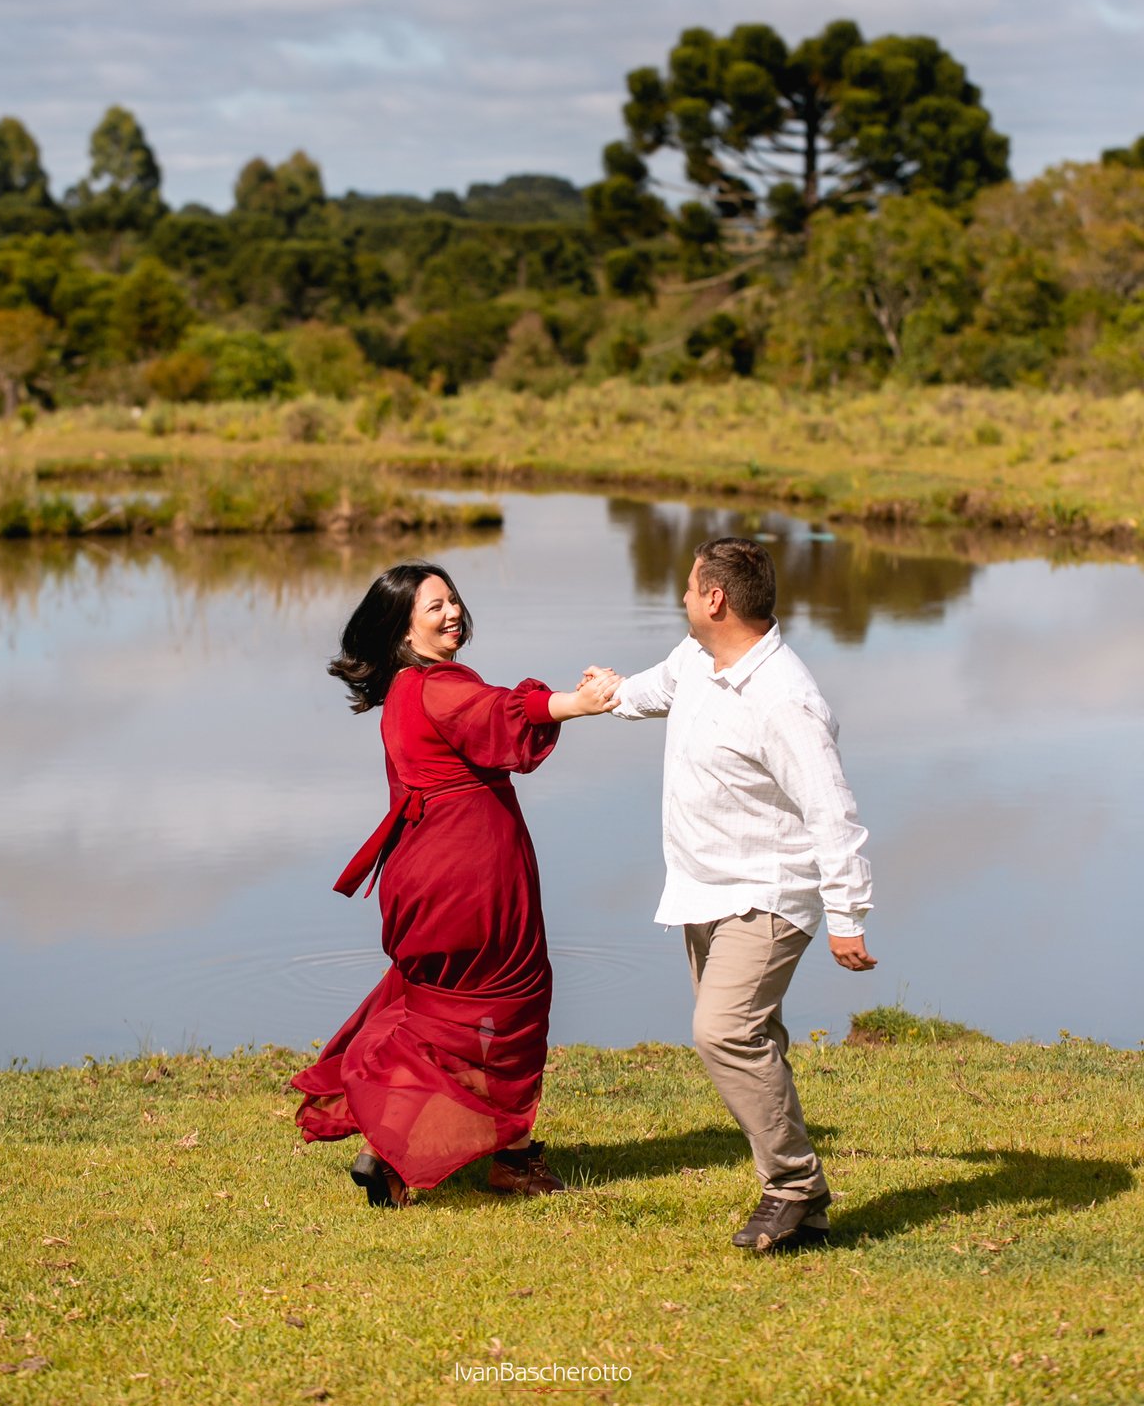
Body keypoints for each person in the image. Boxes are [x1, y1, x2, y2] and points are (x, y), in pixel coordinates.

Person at [290, 560, 619, 1209]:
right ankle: (511, 1161)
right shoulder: (437, 688)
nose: (453, 613)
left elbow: (486, 716)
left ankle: (391, 1152)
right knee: (510, 1003)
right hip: (470, 875)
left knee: (441, 1007)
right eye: (435, 606)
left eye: (453, 600)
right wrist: (576, 703)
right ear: (402, 629)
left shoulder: (402, 692)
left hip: (421, 873)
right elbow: (499, 713)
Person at [603, 534, 875, 1253]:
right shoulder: (699, 658)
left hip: (768, 893)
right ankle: (804, 1218)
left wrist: (847, 914)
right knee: (754, 1039)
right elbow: (653, 690)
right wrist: (607, 694)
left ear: (715, 599)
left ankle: (794, 1186)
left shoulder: (785, 700)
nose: (683, 596)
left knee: (723, 1031)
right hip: (702, 890)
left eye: (691, 586)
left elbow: (832, 812)